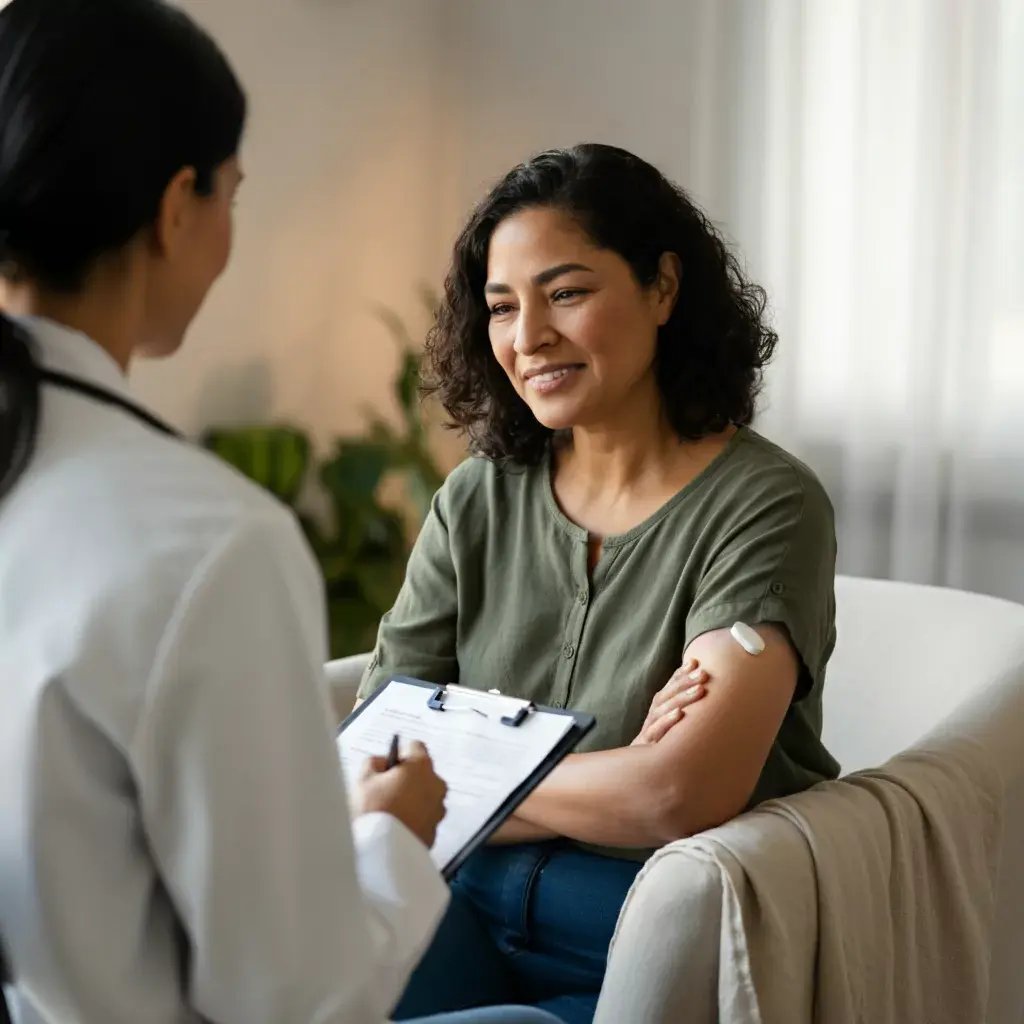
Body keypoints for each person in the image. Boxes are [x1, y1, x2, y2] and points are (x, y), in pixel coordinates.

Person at [0, 3, 562, 1023]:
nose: (529, 335)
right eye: (236, 196)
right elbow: (294, 999)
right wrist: (389, 834)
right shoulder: (207, 541)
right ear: (180, 206)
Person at [358, 144, 841, 1024]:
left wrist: (476, 764)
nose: (527, 336)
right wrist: (613, 772)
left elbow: (678, 795)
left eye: (567, 292)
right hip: (451, 908)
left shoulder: (767, 504)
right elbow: (379, 765)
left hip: (644, 946)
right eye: (502, 307)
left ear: (663, 286)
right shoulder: (477, 498)